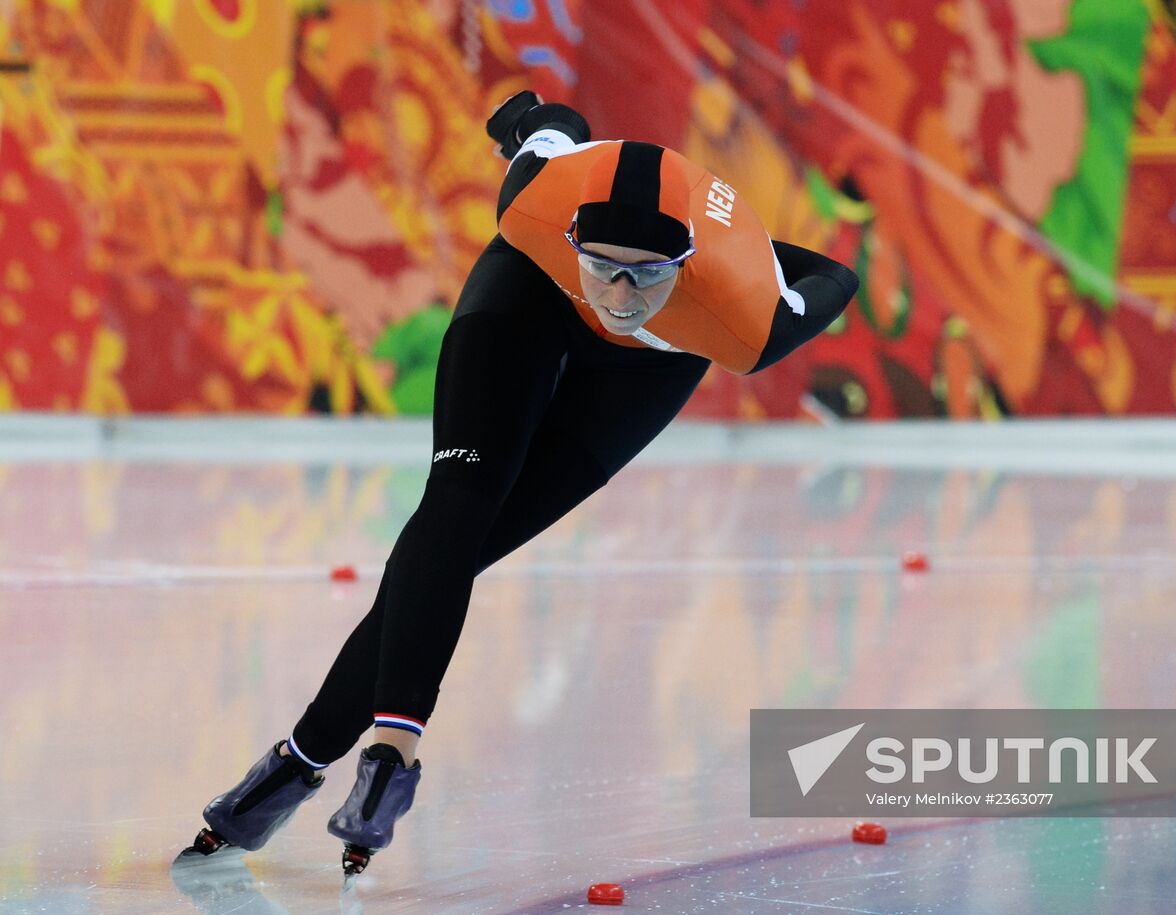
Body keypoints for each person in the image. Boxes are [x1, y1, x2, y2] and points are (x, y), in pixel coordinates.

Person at [178, 92, 860, 877]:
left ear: (685, 265)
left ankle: (293, 765)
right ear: (576, 240)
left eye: (646, 278)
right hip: (532, 295)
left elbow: (832, 273)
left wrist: (744, 251)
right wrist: (523, 117)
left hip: (656, 361)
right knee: (457, 505)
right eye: (605, 269)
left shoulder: (746, 317)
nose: (622, 296)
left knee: (468, 546)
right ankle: (389, 763)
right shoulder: (535, 200)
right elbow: (550, 127)